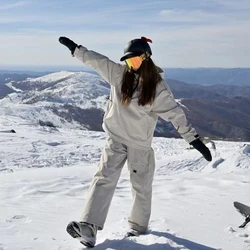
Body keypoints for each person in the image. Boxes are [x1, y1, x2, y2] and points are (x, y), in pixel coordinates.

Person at [59, 36, 212, 247]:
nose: (131, 66)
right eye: (128, 62)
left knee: (141, 186)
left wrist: (193, 140)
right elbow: (97, 61)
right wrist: (77, 50)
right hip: (115, 138)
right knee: (103, 178)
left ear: (146, 58)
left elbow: (176, 114)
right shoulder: (119, 75)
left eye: (135, 62)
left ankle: (138, 227)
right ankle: (89, 226)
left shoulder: (157, 88)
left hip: (139, 144)